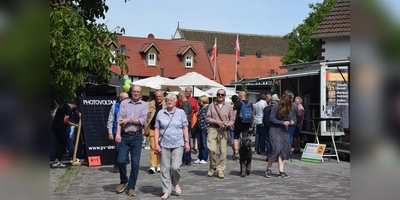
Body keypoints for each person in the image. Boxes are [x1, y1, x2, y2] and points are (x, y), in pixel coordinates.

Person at [154, 93, 190, 200]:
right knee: (165, 168)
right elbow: (156, 129)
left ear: (175, 101)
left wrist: (187, 141)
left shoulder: (181, 112)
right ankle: (166, 191)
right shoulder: (160, 113)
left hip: (178, 143)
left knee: (175, 167)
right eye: (168, 100)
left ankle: (175, 183)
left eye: (172, 100)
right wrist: (156, 144)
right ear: (165, 101)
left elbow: (185, 127)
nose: (169, 101)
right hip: (164, 144)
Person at [115, 85, 148, 197]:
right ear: (131, 92)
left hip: (137, 136)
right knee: (120, 160)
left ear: (141, 94)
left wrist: (129, 120)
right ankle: (124, 180)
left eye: (138, 92)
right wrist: (118, 134)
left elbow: (142, 121)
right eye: (134, 91)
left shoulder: (144, 105)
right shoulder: (124, 103)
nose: (136, 93)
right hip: (124, 135)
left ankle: (131, 187)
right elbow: (119, 120)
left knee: (135, 163)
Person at [265, 93, 296, 179]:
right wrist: (282, 122)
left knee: (282, 150)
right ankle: (268, 168)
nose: (292, 101)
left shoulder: (289, 107)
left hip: (283, 131)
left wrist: (291, 120)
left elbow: (289, 117)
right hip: (274, 130)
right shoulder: (276, 107)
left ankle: (281, 171)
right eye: (291, 99)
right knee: (276, 149)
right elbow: (271, 118)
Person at [206, 89, 234, 179]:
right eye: (218, 94)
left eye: (222, 94)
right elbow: (207, 118)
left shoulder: (229, 106)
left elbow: (232, 119)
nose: (220, 96)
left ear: (225, 96)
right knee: (211, 149)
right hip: (213, 128)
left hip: (223, 130)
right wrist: (216, 121)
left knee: (223, 151)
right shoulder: (212, 105)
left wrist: (228, 124)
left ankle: (220, 170)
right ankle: (212, 167)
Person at [51, 99, 80, 167]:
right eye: (77, 106)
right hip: (60, 128)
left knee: (61, 144)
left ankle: (56, 161)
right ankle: (74, 158)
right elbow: (65, 120)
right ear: (75, 105)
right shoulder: (68, 109)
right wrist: (75, 125)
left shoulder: (66, 105)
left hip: (55, 127)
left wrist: (79, 114)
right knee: (69, 142)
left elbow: (74, 110)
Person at [144, 90, 166, 174]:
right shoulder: (151, 104)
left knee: (161, 148)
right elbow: (147, 116)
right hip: (153, 128)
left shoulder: (166, 104)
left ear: (163, 96)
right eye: (157, 96)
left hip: (163, 130)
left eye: (160, 96)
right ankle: (153, 166)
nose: (158, 98)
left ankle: (159, 165)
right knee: (153, 147)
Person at [107, 92, 129, 173]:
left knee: (126, 149)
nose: (127, 100)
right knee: (118, 149)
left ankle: (123, 165)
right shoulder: (114, 106)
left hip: (127, 131)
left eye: (128, 98)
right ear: (120, 99)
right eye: (125, 98)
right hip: (117, 131)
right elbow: (110, 119)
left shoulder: (131, 106)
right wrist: (110, 132)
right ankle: (117, 163)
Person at [232, 91, 254, 160]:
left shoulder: (237, 104)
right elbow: (252, 114)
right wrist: (252, 123)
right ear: (245, 96)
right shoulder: (250, 104)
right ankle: (245, 152)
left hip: (238, 123)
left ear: (239, 96)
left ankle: (236, 152)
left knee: (236, 137)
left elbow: (234, 114)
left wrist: (232, 122)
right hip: (247, 123)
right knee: (245, 138)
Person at [177, 90, 193, 166]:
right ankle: (187, 159)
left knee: (185, 141)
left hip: (185, 124)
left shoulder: (185, 104)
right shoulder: (187, 103)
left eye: (178, 96)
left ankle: (186, 159)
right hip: (188, 123)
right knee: (186, 140)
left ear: (181, 96)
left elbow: (185, 115)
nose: (178, 98)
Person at [262, 94, 279, 161]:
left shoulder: (266, 108)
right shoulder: (278, 108)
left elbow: (264, 119)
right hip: (276, 128)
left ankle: (268, 156)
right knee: (276, 142)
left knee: (269, 142)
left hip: (268, 127)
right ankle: (275, 156)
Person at [193, 95, 209, 164]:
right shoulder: (200, 108)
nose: (198, 102)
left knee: (204, 143)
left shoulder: (209, 108)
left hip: (205, 127)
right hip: (199, 127)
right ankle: (200, 157)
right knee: (199, 143)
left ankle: (204, 158)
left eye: (199, 100)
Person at [184, 87, 199, 154]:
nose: (186, 92)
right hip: (181, 121)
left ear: (191, 92)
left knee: (188, 137)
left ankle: (188, 154)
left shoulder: (193, 100)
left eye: (187, 91)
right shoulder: (181, 99)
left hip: (189, 121)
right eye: (185, 91)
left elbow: (196, 110)